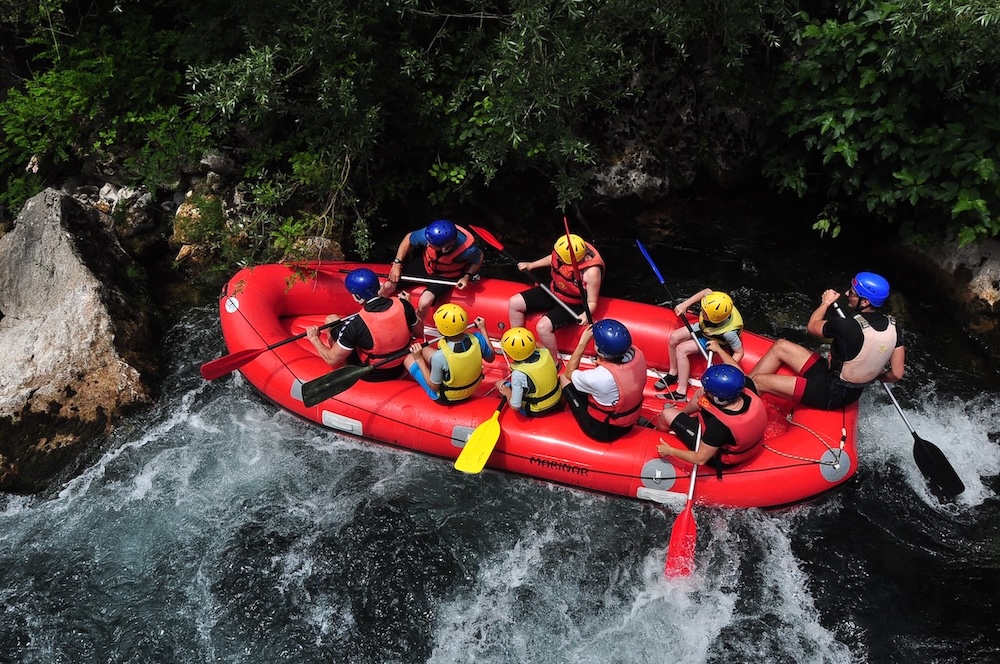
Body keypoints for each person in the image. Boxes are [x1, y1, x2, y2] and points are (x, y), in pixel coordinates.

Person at [748, 271, 905, 410]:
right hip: (834, 377)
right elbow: (897, 374)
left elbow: (812, 326)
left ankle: (739, 406)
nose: (846, 293)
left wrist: (826, 302)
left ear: (865, 302)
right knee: (781, 346)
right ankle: (739, 386)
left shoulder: (847, 326)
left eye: (852, 293)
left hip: (831, 393)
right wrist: (873, 375)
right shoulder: (894, 327)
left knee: (759, 381)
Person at [652, 341, 768, 468]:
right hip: (745, 442)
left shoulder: (718, 427)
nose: (706, 391)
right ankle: (683, 414)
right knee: (701, 394)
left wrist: (670, 450)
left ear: (720, 399)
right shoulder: (745, 388)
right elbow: (734, 368)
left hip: (719, 457)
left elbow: (700, 459)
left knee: (667, 414)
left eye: (709, 392)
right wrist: (719, 349)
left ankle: (656, 433)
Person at [306, 267, 421, 381]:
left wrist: (314, 338)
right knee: (351, 332)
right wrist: (409, 307)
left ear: (357, 296)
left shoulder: (356, 324)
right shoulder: (404, 304)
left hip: (372, 373)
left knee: (331, 320)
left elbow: (331, 359)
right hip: (401, 366)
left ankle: (343, 367)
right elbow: (419, 332)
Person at [508, 233, 604, 362]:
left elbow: (592, 301)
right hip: (554, 291)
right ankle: (519, 344)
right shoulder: (563, 253)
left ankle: (553, 361)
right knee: (514, 303)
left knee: (543, 327)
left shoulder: (591, 272)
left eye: (559, 255)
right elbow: (552, 259)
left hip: (573, 303)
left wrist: (586, 315)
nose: (556, 255)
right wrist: (531, 265)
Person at [559, 319, 646, 442]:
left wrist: (582, 343)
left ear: (601, 351)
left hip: (604, 429)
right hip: (628, 422)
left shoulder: (600, 377)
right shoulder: (639, 355)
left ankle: (559, 411)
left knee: (563, 379)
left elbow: (569, 374)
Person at [379, 219, 484, 322]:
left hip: (446, 275)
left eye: (432, 244)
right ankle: (376, 308)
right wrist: (397, 264)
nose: (428, 244)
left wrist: (467, 276)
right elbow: (408, 239)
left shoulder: (467, 250)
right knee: (388, 286)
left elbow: (479, 258)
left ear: (445, 247)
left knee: (425, 302)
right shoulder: (428, 235)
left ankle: (416, 326)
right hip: (425, 265)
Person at [655, 289, 744, 402]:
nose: (701, 311)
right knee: (673, 338)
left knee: (681, 349)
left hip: (714, 340)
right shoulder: (715, 304)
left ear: (714, 318)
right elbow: (706, 291)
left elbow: (739, 352)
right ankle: (673, 373)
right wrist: (684, 305)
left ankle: (680, 393)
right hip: (706, 328)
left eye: (705, 313)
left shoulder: (729, 333)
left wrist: (727, 367)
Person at [408, 303, 496, 403]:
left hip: (447, 397)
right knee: (424, 349)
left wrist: (419, 359)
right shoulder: (477, 338)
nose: (436, 325)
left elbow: (434, 387)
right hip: (473, 388)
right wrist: (483, 329)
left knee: (408, 358)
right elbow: (491, 358)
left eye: (437, 324)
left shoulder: (439, 357)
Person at [494, 327, 563, 416]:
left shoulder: (518, 374)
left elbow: (515, 406)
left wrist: (508, 393)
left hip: (538, 409)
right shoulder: (545, 352)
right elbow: (538, 345)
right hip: (556, 399)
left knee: (499, 384)